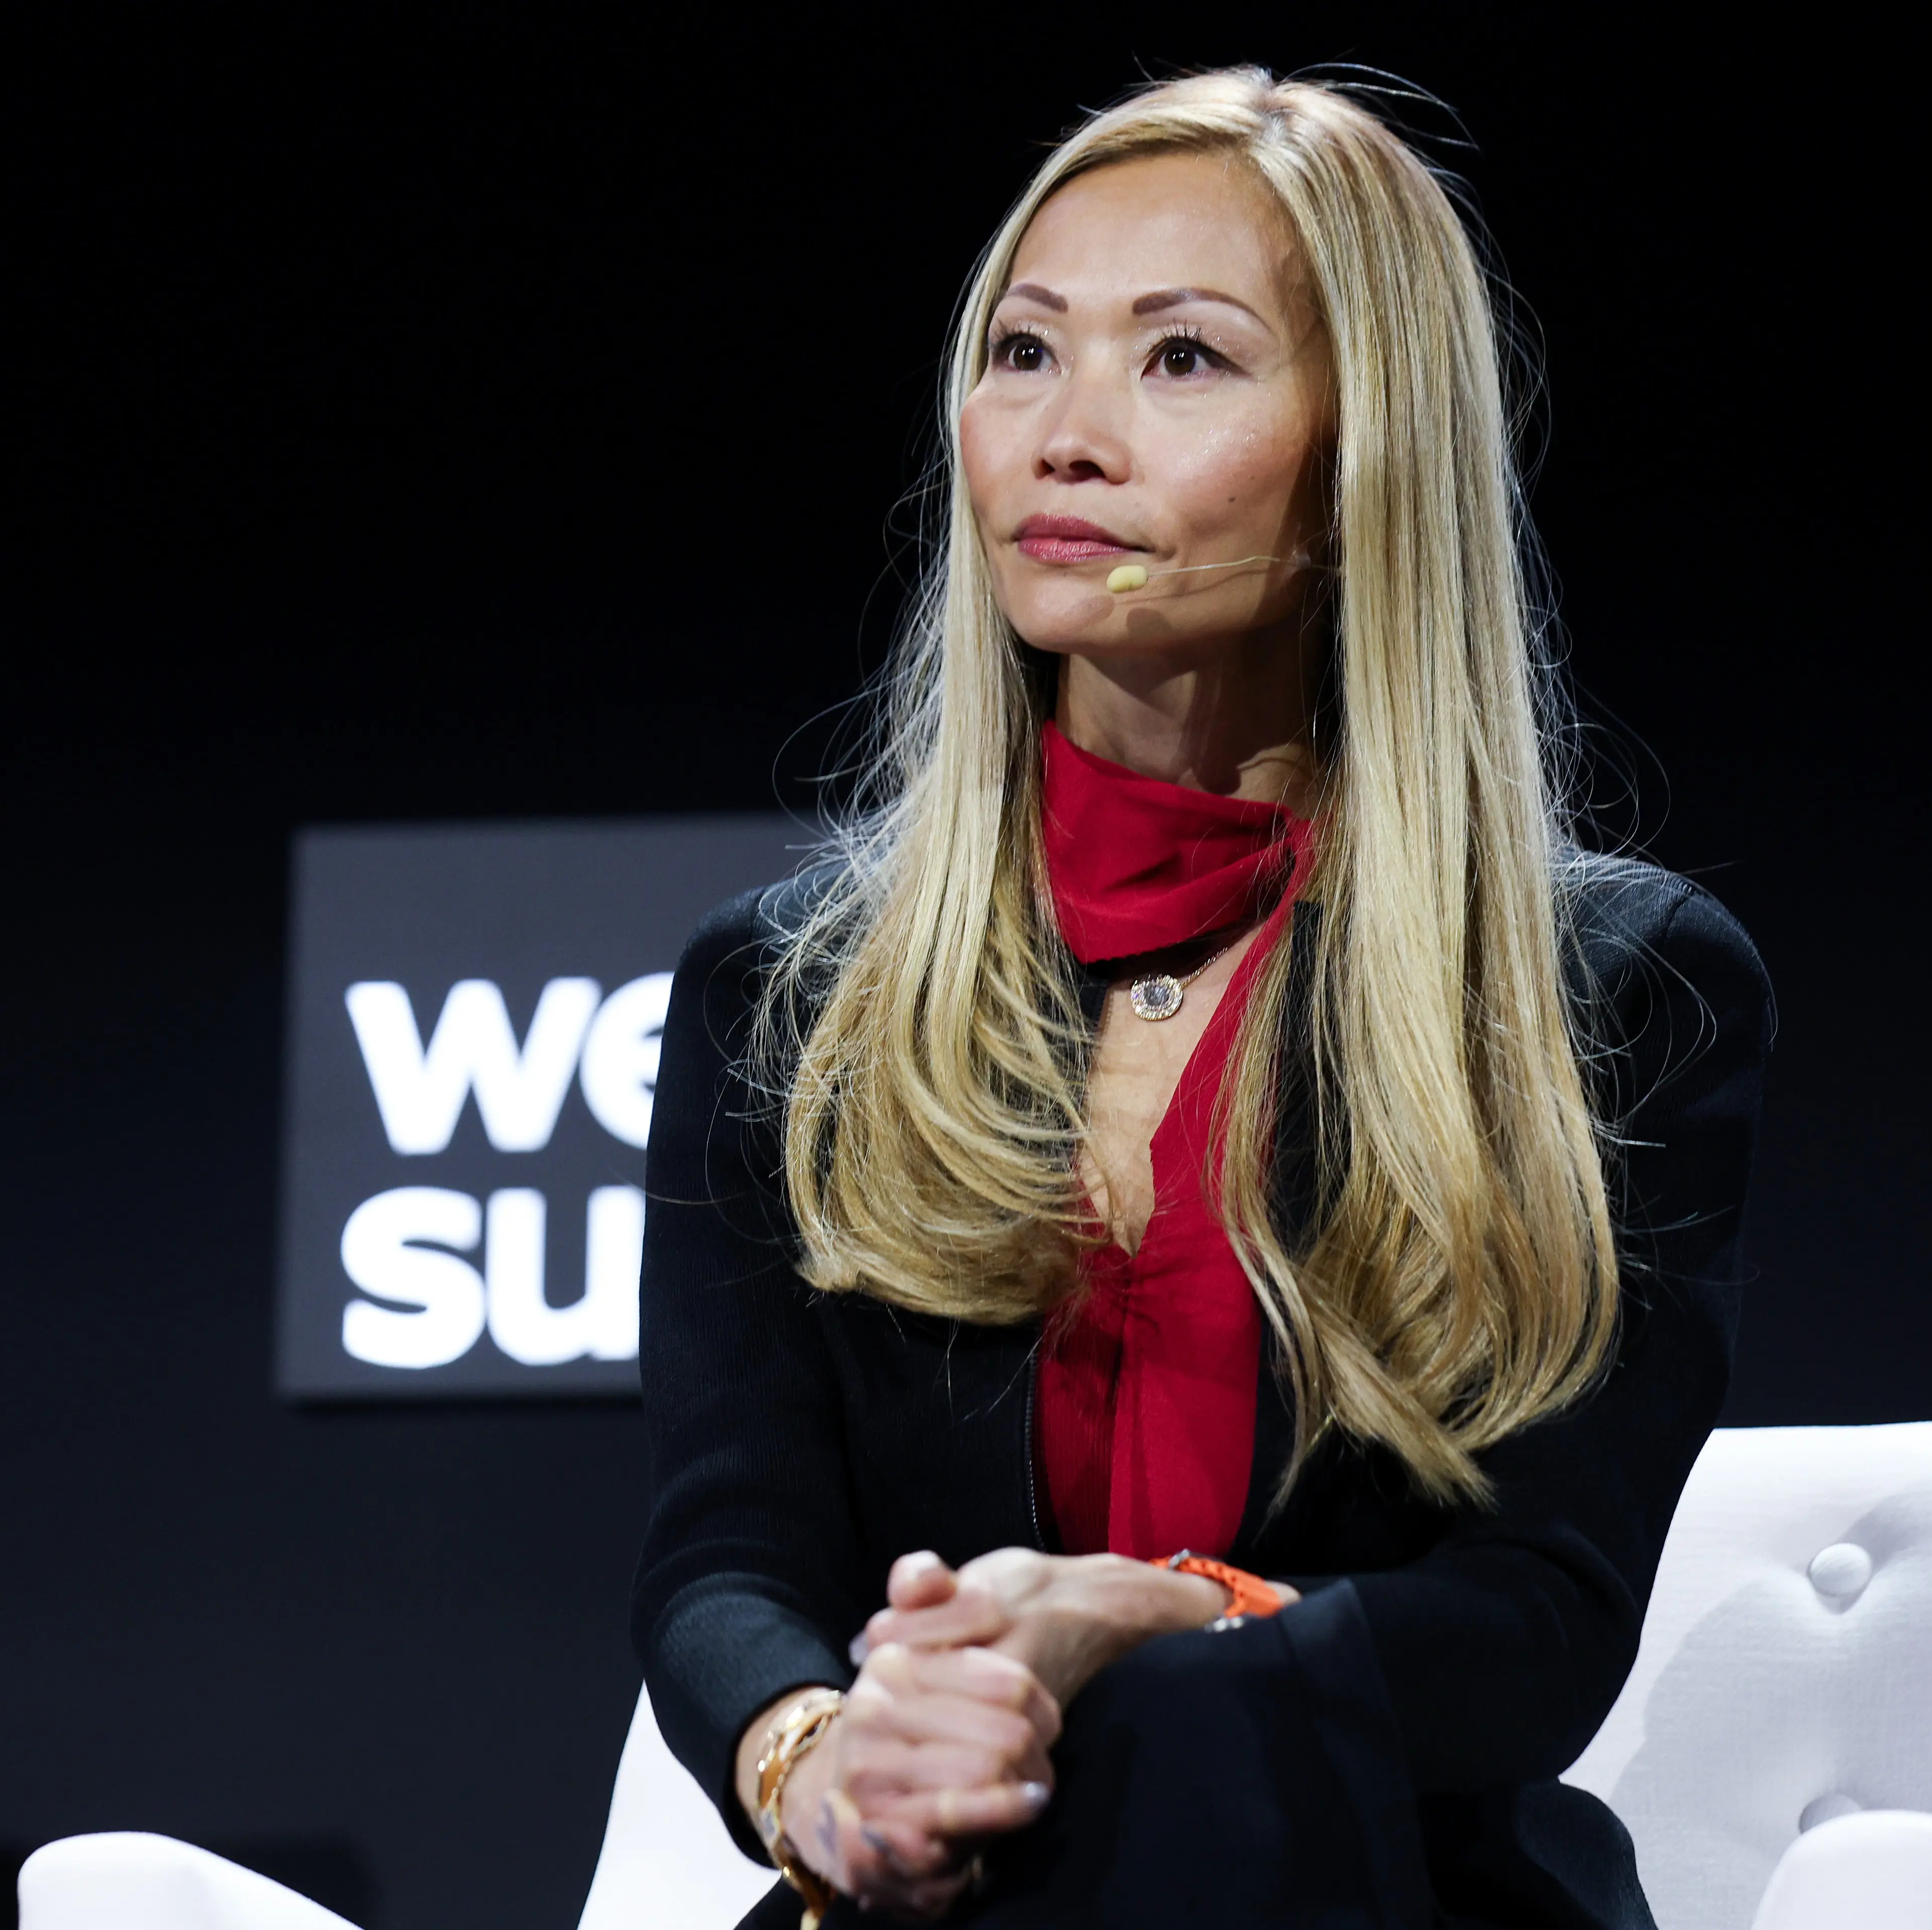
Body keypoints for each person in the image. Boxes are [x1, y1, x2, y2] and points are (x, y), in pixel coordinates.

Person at [631, 66, 1770, 1930]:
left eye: (1181, 360)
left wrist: (1156, 1619)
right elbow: (723, 1551)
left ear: (1361, 462)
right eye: (1021, 352)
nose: (1064, 437)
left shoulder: (1610, 989)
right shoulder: (786, 998)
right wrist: (816, 1753)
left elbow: (1535, 1622)